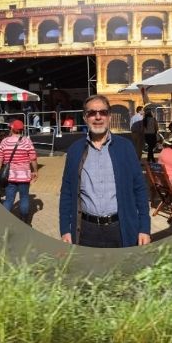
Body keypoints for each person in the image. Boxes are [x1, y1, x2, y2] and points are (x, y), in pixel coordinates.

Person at [59, 94, 151, 248]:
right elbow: (67, 192)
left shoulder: (126, 147)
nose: (98, 117)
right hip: (86, 230)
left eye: (103, 112)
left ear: (109, 116)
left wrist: (144, 228)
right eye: (92, 113)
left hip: (121, 228)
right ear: (85, 117)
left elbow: (140, 190)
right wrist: (65, 229)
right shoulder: (75, 150)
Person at [0, 119, 38, 222]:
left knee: (9, 199)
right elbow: (33, 158)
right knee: (24, 197)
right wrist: (35, 171)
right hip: (24, 176)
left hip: (9, 176)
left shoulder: (4, 141)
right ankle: (24, 220)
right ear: (22, 130)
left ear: (12, 128)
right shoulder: (26, 141)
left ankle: (4, 219)